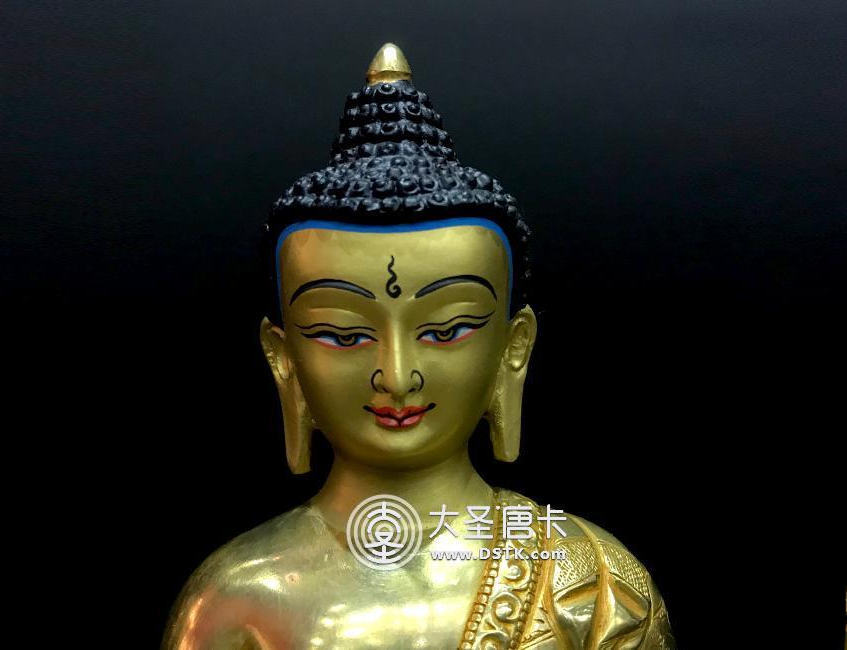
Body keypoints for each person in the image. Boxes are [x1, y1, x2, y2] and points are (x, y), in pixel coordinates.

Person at [163, 43, 675, 650]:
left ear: (514, 346)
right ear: (283, 357)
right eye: (345, 334)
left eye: (446, 330)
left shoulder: (595, 588)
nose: (397, 375)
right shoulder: (234, 600)